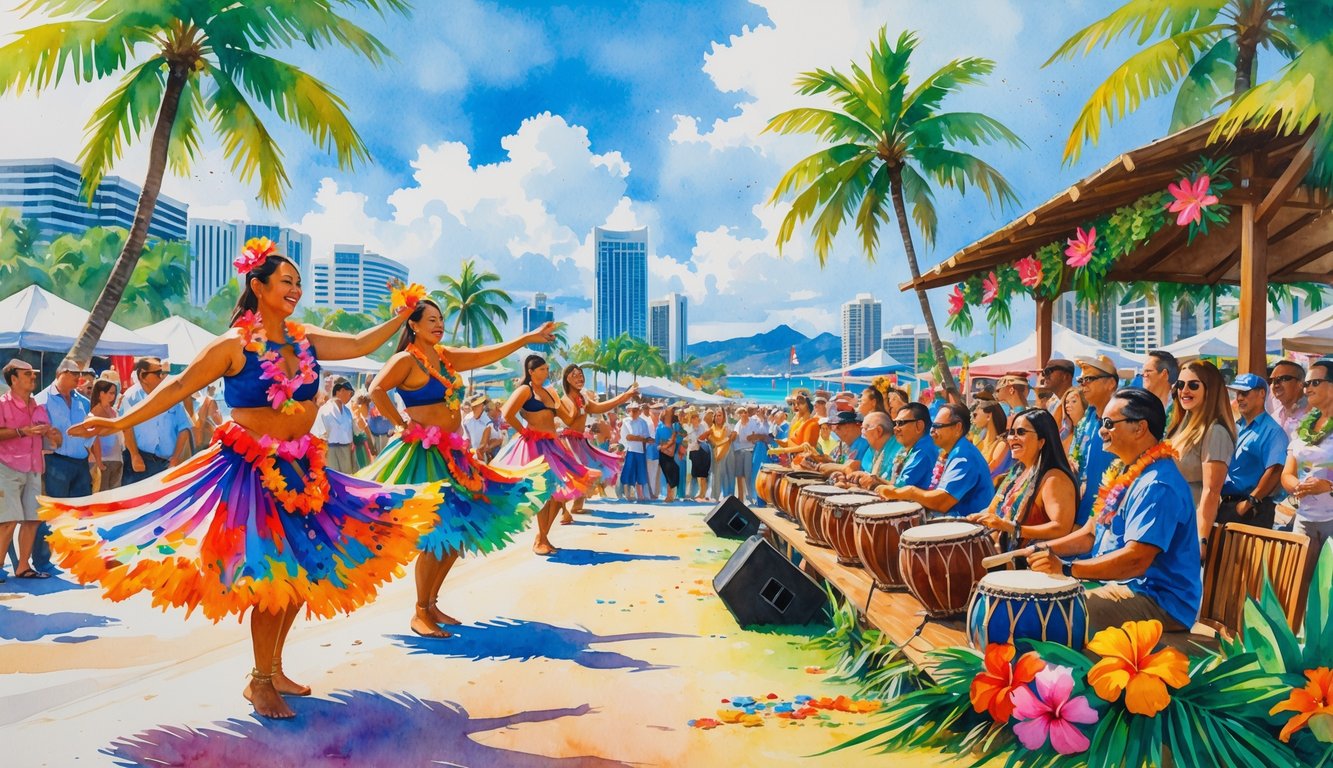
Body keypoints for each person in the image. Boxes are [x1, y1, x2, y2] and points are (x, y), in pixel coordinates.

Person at [46, 238, 439, 719]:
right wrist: (117, 424)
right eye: (286, 282)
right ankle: (258, 681)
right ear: (258, 286)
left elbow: (359, 345)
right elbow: (178, 386)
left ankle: (273, 668)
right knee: (275, 577)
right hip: (251, 473)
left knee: (305, 574)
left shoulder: (305, 339)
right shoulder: (233, 345)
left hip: (302, 469)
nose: (295, 290)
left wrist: (403, 314)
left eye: (299, 283)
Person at [363, 298, 554, 637]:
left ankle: (432, 602)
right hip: (423, 454)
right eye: (431, 319)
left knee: (457, 532)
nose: (439, 325)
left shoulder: (445, 357)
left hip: (454, 453)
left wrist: (525, 339)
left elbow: (486, 354)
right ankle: (419, 611)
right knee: (437, 532)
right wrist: (399, 424)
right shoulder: (406, 359)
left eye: (441, 319)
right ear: (414, 324)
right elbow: (376, 389)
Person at [1028, 388, 1201, 634]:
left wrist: (1067, 569)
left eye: (1109, 423)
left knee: (1054, 612)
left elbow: (1135, 560)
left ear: (1139, 428)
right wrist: (1041, 549)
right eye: (1102, 422)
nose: (1101, 430)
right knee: (1038, 594)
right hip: (1122, 586)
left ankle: (1062, 673)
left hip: (1158, 602)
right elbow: (1090, 535)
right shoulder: (1123, 472)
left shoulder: (1158, 484)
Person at [492, 355, 592, 555]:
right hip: (534, 445)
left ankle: (543, 536)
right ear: (531, 371)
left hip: (553, 444)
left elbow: (569, 419)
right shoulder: (525, 390)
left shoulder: (550, 392)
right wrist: (524, 432)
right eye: (542, 369)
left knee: (558, 494)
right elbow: (507, 413)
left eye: (547, 369)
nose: (546, 372)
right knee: (543, 491)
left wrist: (578, 400)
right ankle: (541, 539)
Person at [971, 408, 1078, 551]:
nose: (1012, 438)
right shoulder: (1018, 470)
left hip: (1033, 564)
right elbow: (995, 510)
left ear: (1041, 441)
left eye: (1021, 432)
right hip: (1003, 556)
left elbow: (1061, 528)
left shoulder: (1054, 479)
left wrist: (1013, 528)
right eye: (1011, 432)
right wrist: (976, 518)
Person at [877, 403, 994, 517]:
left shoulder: (964, 456)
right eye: (933, 426)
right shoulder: (953, 452)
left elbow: (942, 502)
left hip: (969, 529)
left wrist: (910, 492)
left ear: (958, 427)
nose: (931, 431)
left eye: (938, 426)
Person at [35, 358, 96, 572]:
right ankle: (42, 561)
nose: (78, 378)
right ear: (60, 373)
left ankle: (77, 558)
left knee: (81, 513)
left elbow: (89, 430)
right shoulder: (42, 400)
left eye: (79, 374)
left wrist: (88, 444)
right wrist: (47, 438)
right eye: (72, 373)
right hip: (55, 462)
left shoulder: (83, 401)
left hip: (79, 462)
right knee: (52, 513)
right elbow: (35, 432)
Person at [1167, 361, 1235, 541]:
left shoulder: (1215, 432)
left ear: (1210, 389)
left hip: (1189, 528)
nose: (1184, 391)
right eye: (1180, 385)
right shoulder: (1179, 427)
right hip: (1170, 519)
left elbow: (1211, 492)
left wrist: (1201, 538)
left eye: (1193, 385)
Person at [557, 363, 636, 518]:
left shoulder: (582, 398)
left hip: (580, 441)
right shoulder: (565, 399)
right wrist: (579, 403)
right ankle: (563, 510)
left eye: (581, 375)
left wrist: (625, 396)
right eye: (575, 375)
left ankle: (577, 506)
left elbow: (601, 407)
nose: (580, 377)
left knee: (587, 473)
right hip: (567, 440)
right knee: (570, 476)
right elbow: (570, 418)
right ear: (567, 378)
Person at [0, 359, 55, 581]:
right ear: (14, 379)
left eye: (33, 373)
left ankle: (23, 567)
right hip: (7, 467)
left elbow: (48, 435)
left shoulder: (37, 406)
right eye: (27, 374)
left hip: (33, 467)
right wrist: (22, 432)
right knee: (8, 520)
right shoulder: (2, 404)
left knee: (32, 519)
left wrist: (53, 435)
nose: (33, 377)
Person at [1280, 359, 1333, 582]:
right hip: (1303, 520)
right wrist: (1298, 486)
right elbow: (1286, 474)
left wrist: (1328, 487)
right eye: (1306, 383)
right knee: (1299, 585)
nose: (1307, 388)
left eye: (1315, 382)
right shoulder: (1304, 426)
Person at [1219, 373, 1288, 530]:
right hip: (1228, 504)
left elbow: (1275, 470)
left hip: (1253, 510)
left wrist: (1250, 503)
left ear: (1262, 393)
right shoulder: (1235, 426)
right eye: (1237, 393)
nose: (1239, 398)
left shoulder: (1273, 431)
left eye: (1245, 393)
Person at [120, 357, 192, 484]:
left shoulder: (172, 396)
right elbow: (126, 427)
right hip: (140, 462)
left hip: (167, 464)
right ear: (143, 375)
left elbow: (184, 428)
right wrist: (134, 455)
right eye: (158, 374)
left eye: (163, 373)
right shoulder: (131, 397)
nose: (163, 377)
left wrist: (176, 457)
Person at [1070, 355, 1122, 525]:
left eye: (1090, 379)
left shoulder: (1123, 419)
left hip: (1112, 513)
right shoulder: (1089, 419)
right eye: (1081, 379)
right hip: (1084, 511)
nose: (1083, 384)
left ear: (1111, 383)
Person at [312, 378, 357, 474]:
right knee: (332, 478)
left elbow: (353, 431)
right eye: (349, 393)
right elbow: (318, 434)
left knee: (346, 478)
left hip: (346, 450)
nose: (350, 397)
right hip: (330, 450)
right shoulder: (324, 410)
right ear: (341, 391)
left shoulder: (348, 411)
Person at [843, 412, 898, 488]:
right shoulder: (873, 449)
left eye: (865, 429)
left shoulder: (899, 451)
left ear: (879, 431)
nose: (863, 433)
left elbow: (898, 487)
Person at [809, 410, 867, 479]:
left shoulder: (865, 445)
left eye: (837, 427)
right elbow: (838, 463)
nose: (834, 431)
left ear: (847, 426)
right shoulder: (843, 444)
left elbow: (853, 470)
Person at [89, 379, 124, 492]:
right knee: (102, 496)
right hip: (103, 460)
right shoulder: (94, 413)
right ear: (101, 393)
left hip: (116, 458)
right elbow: (94, 439)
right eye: (110, 393)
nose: (113, 396)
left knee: (114, 496)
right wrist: (98, 461)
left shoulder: (112, 411)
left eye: (114, 393)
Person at [617, 402, 652, 501]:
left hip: (640, 451)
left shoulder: (643, 422)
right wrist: (640, 438)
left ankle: (640, 495)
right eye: (632, 410)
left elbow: (646, 437)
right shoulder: (625, 421)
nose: (634, 412)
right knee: (628, 472)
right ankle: (627, 494)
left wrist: (639, 438)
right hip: (630, 450)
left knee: (640, 473)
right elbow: (627, 437)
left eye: (636, 410)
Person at [1268, 359, 1311, 435]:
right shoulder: (1275, 416)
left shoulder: (1313, 414)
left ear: (1300, 384)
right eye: (1273, 380)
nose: (1276, 385)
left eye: (1283, 378)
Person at [973, 400, 1013, 481]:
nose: (973, 419)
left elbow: (991, 469)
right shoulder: (980, 443)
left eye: (975, 415)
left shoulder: (1001, 444)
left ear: (988, 416)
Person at [1141, 349, 1180, 430]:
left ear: (1164, 374)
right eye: (1143, 372)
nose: (1143, 375)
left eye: (1148, 371)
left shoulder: (1180, 406)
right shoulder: (1141, 407)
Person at [655, 406, 684, 503]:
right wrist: (665, 447)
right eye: (667, 413)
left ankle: (673, 495)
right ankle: (668, 495)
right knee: (667, 475)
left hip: (675, 454)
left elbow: (682, 439)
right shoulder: (659, 427)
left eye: (670, 413)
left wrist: (678, 447)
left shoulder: (676, 426)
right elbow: (657, 442)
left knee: (674, 473)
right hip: (664, 454)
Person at [706, 408, 735, 501]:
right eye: (717, 416)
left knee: (728, 474)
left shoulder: (728, 428)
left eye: (720, 415)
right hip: (717, 455)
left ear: (724, 417)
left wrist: (730, 437)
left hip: (729, 453)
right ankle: (716, 497)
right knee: (717, 475)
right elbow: (712, 442)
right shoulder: (711, 429)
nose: (718, 418)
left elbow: (733, 437)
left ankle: (729, 496)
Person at [686, 409, 711, 500]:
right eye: (692, 417)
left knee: (703, 475)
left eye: (696, 417)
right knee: (694, 474)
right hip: (694, 452)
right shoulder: (689, 428)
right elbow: (688, 441)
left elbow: (707, 436)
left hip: (703, 451)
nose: (694, 418)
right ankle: (693, 494)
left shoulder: (703, 426)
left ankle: (702, 494)